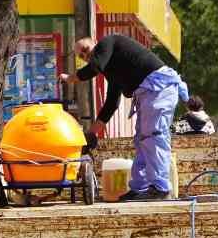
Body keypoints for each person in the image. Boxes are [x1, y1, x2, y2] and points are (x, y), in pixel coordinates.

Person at [70, 34, 189, 201]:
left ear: (94, 42)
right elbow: (111, 104)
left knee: (153, 137)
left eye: (85, 50)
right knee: (142, 139)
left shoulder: (108, 42)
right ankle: (141, 187)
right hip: (149, 93)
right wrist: (92, 133)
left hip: (158, 88)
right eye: (81, 56)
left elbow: (94, 66)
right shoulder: (112, 68)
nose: (85, 56)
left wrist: (71, 78)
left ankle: (160, 187)